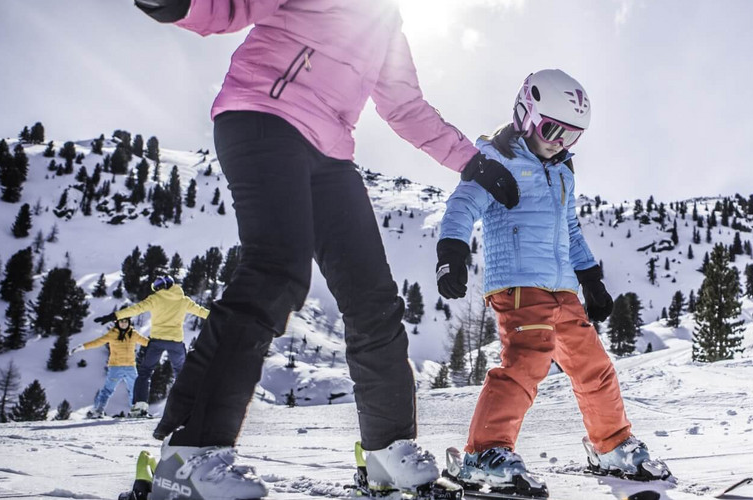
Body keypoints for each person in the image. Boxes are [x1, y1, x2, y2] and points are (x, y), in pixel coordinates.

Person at [131, 0, 522, 498]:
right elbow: (230, 7)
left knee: (374, 300)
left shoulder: (386, 24)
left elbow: (405, 106)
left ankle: (388, 451)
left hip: (330, 153)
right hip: (263, 117)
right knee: (275, 270)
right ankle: (190, 453)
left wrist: (473, 162)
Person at [435, 69, 671, 496]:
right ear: (525, 113)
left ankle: (612, 445)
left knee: (593, 366)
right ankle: (484, 453)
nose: (560, 141)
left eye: (572, 135)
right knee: (527, 362)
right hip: (520, 284)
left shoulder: (562, 171)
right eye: (551, 128)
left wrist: (591, 278)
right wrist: (452, 253)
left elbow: (571, 229)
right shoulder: (496, 162)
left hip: (563, 288)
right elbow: (462, 205)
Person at [92, 275, 209, 418]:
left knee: (145, 372)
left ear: (163, 286)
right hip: (175, 342)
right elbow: (202, 312)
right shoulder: (183, 300)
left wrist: (113, 316)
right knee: (181, 372)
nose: (157, 288)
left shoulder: (155, 299)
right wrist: (223, 317)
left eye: (158, 286)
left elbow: (135, 309)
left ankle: (139, 407)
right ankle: (186, 406)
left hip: (157, 341)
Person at [71, 317, 150, 418]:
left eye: (126, 321)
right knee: (108, 390)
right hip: (115, 367)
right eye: (121, 321)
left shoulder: (133, 333)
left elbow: (146, 342)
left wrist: (162, 344)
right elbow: (97, 342)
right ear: (117, 323)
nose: (124, 324)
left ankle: (135, 411)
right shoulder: (112, 334)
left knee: (134, 390)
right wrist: (82, 347)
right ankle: (98, 410)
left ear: (129, 322)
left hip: (130, 367)